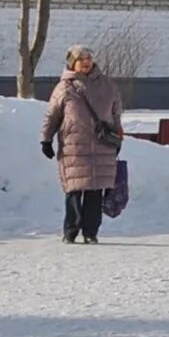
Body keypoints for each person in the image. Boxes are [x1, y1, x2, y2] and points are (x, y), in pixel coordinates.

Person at [39, 43, 125, 243]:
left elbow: (116, 114)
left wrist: (118, 136)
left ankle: (90, 233)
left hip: (102, 144)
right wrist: (46, 138)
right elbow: (52, 116)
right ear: (72, 63)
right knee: (75, 190)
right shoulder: (64, 87)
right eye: (81, 59)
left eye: (89, 59)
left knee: (96, 191)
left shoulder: (107, 85)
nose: (86, 62)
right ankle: (70, 231)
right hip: (74, 145)